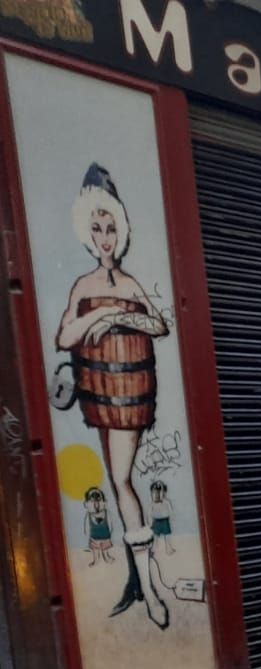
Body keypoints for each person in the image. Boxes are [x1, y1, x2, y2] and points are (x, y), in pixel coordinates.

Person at [55, 164, 171, 630]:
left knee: (121, 479)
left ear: (120, 232)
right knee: (118, 478)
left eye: (111, 228)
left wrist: (118, 321)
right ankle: (145, 583)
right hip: (99, 390)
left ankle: (148, 585)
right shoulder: (84, 285)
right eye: (97, 228)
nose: (105, 237)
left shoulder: (128, 283)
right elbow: (65, 336)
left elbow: (158, 323)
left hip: (129, 390)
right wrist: (95, 320)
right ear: (89, 231)